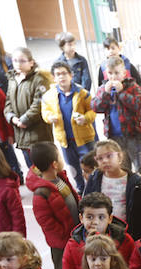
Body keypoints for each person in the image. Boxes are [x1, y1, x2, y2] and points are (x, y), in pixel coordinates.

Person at [25, 142, 80, 269]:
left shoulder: (60, 179)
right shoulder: (41, 193)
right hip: (61, 243)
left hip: (74, 235)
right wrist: (65, 236)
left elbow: (74, 200)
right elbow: (47, 223)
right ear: (54, 164)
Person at [61, 192, 139, 269]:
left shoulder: (124, 240)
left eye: (101, 217)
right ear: (81, 218)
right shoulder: (72, 245)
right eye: (89, 217)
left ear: (110, 219)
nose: (95, 222)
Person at [42, 60, 97, 191]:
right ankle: (80, 189)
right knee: (73, 167)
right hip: (65, 141)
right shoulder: (48, 96)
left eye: (64, 73)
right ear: (54, 78)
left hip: (84, 139)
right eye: (58, 74)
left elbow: (93, 111)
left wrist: (85, 118)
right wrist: (50, 117)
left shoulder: (82, 93)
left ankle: (94, 187)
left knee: (90, 165)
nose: (61, 76)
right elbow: (45, 112)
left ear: (71, 75)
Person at [81, 139, 141, 240]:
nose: (104, 161)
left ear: (120, 156)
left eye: (109, 156)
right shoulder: (94, 179)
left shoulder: (137, 183)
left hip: (127, 233)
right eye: (100, 158)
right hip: (101, 232)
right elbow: (86, 203)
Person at [91, 56, 141, 175]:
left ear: (124, 73)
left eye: (117, 73)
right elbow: (96, 107)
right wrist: (105, 94)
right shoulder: (103, 88)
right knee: (122, 168)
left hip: (133, 135)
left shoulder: (133, 86)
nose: (113, 77)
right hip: (114, 137)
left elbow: (138, 104)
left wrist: (121, 92)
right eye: (110, 73)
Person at [4, 47, 54, 167]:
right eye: (15, 60)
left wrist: (25, 119)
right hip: (21, 134)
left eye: (22, 61)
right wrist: (12, 118)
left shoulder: (40, 80)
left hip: (38, 134)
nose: (18, 64)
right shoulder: (12, 80)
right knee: (32, 171)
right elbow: (8, 102)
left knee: (47, 168)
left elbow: (40, 103)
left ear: (31, 62)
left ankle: (59, 187)